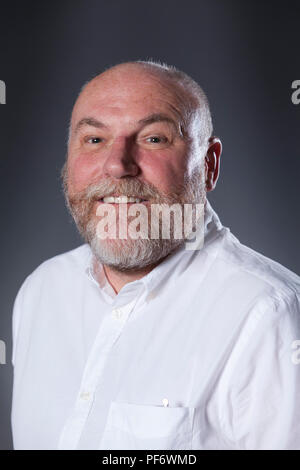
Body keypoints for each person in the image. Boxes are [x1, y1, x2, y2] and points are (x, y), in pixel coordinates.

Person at [11, 60, 300, 450]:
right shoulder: (42, 289)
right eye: (94, 140)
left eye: (154, 139)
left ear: (209, 165)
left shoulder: (271, 314)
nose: (117, 165)